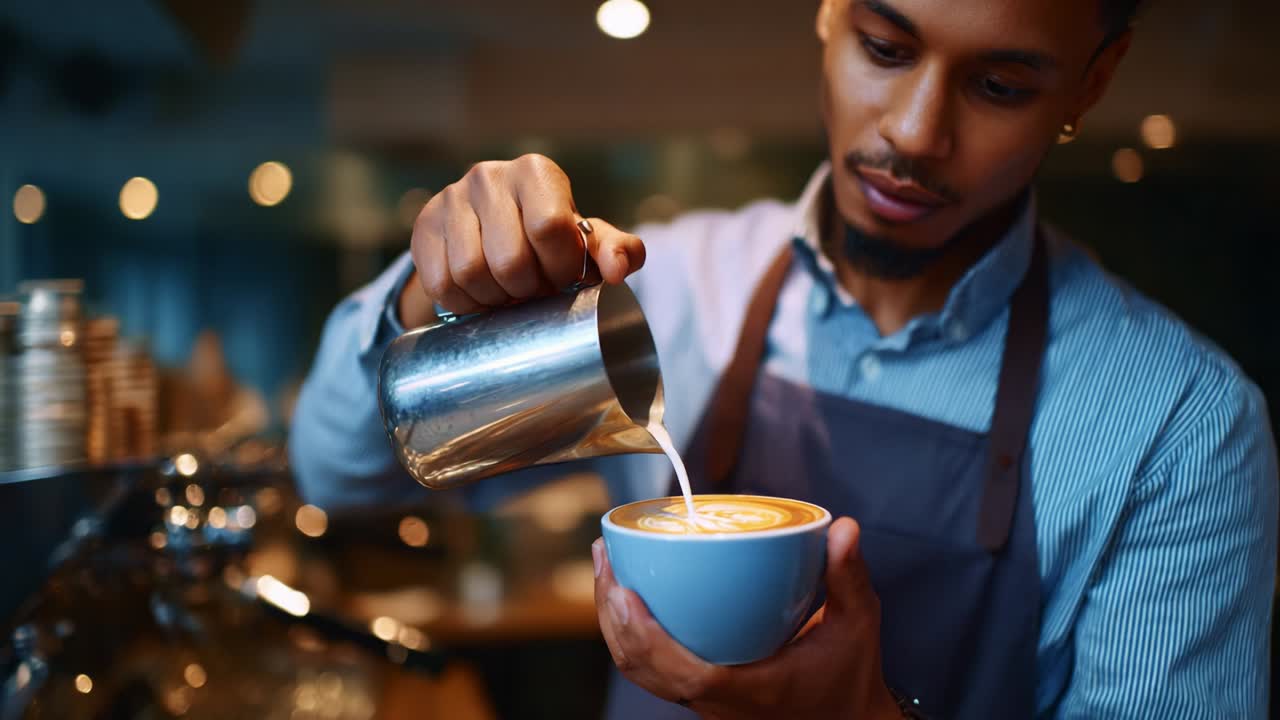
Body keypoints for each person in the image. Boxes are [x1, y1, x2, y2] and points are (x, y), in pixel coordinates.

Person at [289, 0, 1279, 717]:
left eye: (997, 85)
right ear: (826, 11)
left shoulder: (1177, 426)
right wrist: (429, 291)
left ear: (1092, 81)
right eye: (883, 47)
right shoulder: (670, 289)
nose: (913, 133)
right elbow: (340, 472)